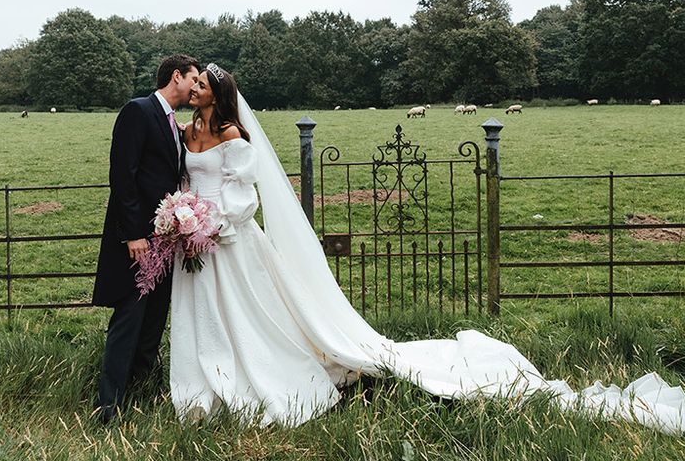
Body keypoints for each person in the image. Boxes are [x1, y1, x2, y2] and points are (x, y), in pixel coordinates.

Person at [168, 62, 685, 433]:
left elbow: (242, 200)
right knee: (208, 312)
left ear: (218, 93)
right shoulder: (187, 129)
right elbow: (188, 180)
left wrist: (210, 225)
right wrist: (183, 217)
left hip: (227, 237)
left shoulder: (234, 133)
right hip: (197, 238)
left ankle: (258, 372)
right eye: (194, 85)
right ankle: (208, 380)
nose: (195, 91)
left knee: (250, 310)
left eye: (203, 85)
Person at [92, 54, 200, 423]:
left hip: (166, 238)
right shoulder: (137, 111)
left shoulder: (172, 123)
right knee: (130, 316)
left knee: (154, 318)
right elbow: (123, 175)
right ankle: (109, 405)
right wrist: (133, 234)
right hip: (138, 241)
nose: (196, 86)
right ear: (176, 76)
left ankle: (140, 389)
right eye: (193, 79)